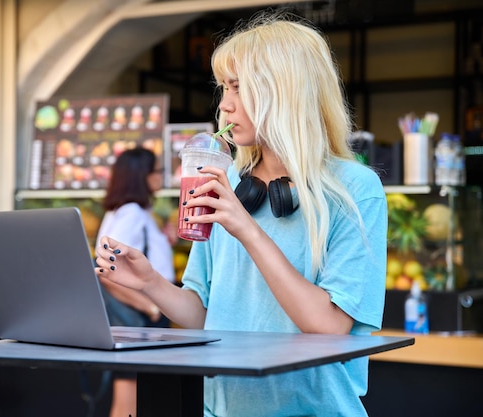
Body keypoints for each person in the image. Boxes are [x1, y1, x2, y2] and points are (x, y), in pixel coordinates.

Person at [95, 12, 387, 417]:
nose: (225, 104)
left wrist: (246, 228)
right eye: (223, 88)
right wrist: (149, 284)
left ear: (285, 91)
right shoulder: (226, 180)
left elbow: (329, 326)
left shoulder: (355, 189)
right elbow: (203, 316)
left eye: (239, 87)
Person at [96, 146, 175, 417]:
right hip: (138, 318)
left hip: (138, 316)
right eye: (156, 170)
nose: (160, 176)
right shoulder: (132, 213)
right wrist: (150, 308)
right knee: (129, 400)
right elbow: (109, 274)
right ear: (142, 176)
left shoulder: (123, 211)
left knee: (133, 397)